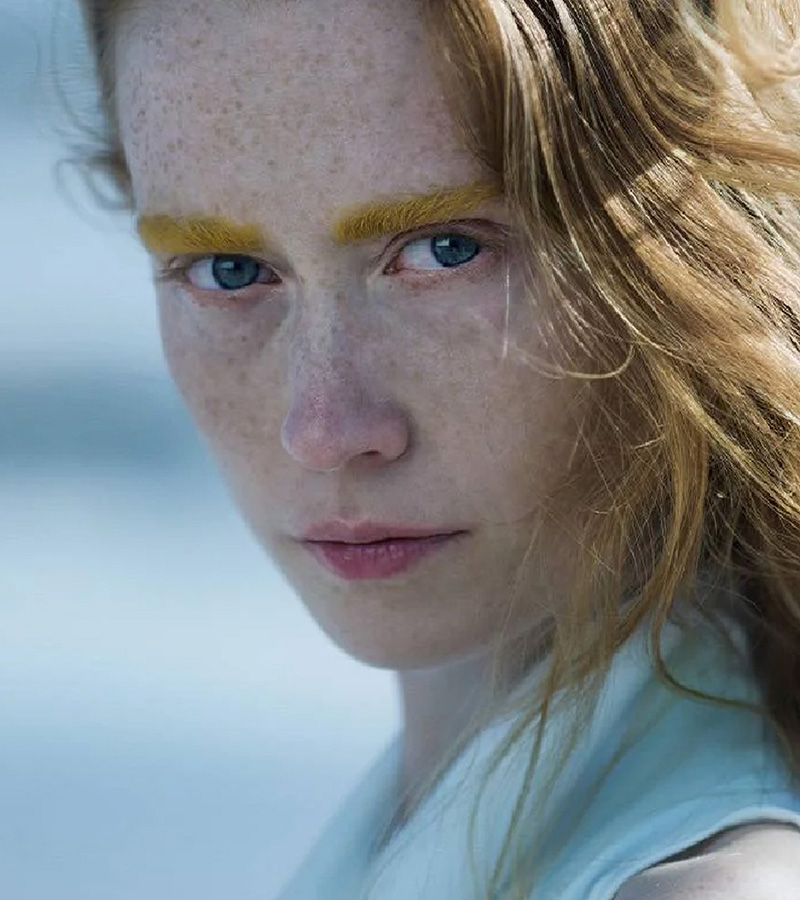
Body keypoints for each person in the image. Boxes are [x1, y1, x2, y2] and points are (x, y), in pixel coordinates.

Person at [72, 0, 800, 897]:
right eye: (228, 271)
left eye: (447, 250)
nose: (326, 430)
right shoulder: (428, 822)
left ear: (688, 240)